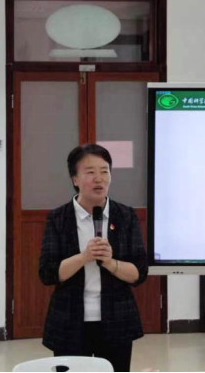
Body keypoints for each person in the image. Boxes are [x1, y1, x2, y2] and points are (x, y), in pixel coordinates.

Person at [39, 144, 149, 373]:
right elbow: (48, 273)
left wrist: (110, 263)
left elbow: (139, 273)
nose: (99, 179)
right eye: (90, 172)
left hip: (116, 320)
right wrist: (84, 257)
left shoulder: (125, 216)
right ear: (75, 179)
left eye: (104, 171)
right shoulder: (58, 218)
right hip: (69, 321)